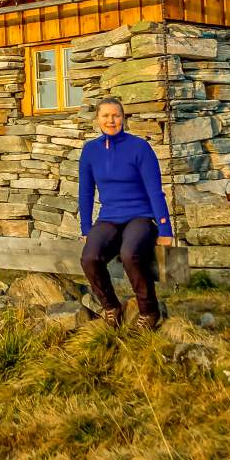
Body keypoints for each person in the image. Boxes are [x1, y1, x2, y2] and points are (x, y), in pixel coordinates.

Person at [77, 96, 173, 330]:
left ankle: (148, 311)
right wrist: (86, 229)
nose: (111, 120)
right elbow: (86, 193)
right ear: (97, 119)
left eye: (116, 115)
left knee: (130, 254)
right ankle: (111, 307)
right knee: (89, 258)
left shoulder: (139, 148)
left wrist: (165, 230)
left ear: (123, 118)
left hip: (140, 218)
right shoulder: (90, 151)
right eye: (105, 116)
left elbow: (155, 191)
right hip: (109, 218)